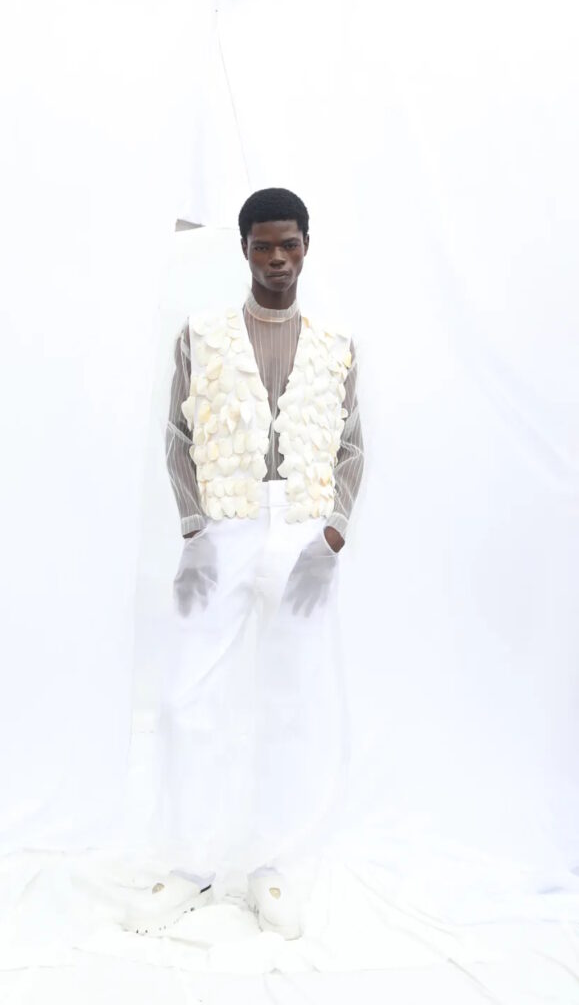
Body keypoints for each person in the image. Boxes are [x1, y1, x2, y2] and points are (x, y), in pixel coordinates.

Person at [121, 188, 364, 939]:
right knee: (185, 694)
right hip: (223, 525)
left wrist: (332, 535)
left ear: (306, 246)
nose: (277, 259)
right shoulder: (200, 337)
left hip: (301, 533)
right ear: (244, 249)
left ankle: (272, 863)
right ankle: (189, 864)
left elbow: (351, 445)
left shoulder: (335, 344)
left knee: (294, 698)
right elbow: (176, 436)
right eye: (263, 246)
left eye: (288, 244)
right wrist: (194, 530)